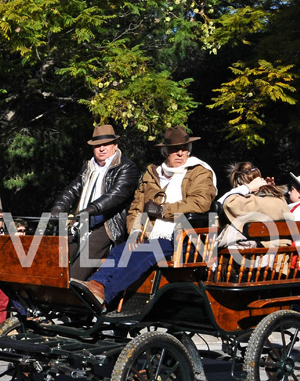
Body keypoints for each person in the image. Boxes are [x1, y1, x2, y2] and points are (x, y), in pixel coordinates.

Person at [77, 125, 216, 310]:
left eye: (184, 148)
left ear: (189, 150)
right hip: (150, 235)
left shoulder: (199, 172)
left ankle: (105, 297)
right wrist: (134, 231)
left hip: (183, 238)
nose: (180, 153)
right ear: (165, 151)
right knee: (120, 251)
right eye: (175, 149)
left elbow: (200, 203)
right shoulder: (152, 174)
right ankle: (96, 285)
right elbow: (136, 207)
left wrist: (163, 210)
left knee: (144, 252)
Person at [51, 124, 140, 281]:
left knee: (84, 259)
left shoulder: (126, 167)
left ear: (115, 145)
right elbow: (73, 189)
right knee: (57, 257)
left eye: (106, 144)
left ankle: (72, 294)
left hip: (108, 224)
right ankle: (48, 292)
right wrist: (59, 206)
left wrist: (91, 210)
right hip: (81, 223)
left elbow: (116, 195)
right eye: (97, 145)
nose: (102, 148)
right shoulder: (89, 166)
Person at [216, 162, 290, 248]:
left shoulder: (242, 202)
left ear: (239, 185)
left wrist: (246, 188)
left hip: (256, 255)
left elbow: (220, 204)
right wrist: (269, 190)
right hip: (283, 254)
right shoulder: (280, 200)